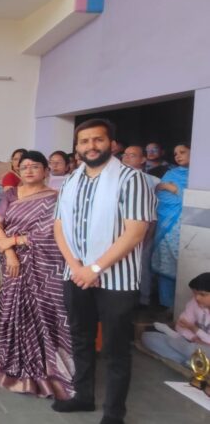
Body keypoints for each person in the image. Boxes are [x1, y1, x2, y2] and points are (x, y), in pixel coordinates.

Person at [53, 118, 155, 424]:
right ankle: (83, 397)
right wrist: (76, 267)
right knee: (80, 339)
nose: (91, 146)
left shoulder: (130, 179)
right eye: (84, 141)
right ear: (77, 148)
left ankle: (114, 412)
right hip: (76, 275)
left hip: (116, 281)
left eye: (98, 140)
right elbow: (59, 226)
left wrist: (95, 267)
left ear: (111, 144)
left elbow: (135, 232)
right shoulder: (71, 180)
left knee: (115, 347)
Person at [0, 150, 74, 399]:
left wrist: (15, 240)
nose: (28, 170)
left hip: (44, 265)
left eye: (35, 166)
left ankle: (48, 372)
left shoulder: (55, 198)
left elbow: (53, 233)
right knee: (13, 311)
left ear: (46, 171)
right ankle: (14, 368)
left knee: (45, 312)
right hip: (13, 264)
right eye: (24, 166)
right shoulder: (10, 194)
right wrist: (10, 252)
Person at [141, 273, 210, 367]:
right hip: (190, 344)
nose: (197, 298)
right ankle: (190, 363)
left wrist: (194, 329)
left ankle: (192, 361)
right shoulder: (194, 303)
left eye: (202, 294)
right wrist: (192, 338)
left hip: (203, 349)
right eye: (195, 293)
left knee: (194, 349)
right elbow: (180, 326)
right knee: (148, 338)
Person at [151, 143, 191, 309]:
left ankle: (186, 306)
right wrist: (170, 189)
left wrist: (172, 188)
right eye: (175, 154)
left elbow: (192, 198)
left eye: (182, 152)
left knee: (183, 263)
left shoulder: (200, 174)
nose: (178, 156)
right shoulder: (171, 173)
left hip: (183, 224)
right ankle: (166, 304)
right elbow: (158, 193)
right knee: (164, 261)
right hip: (165, 224)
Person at [121, 145, 160, 306]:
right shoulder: (116, 178)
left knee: (141, 265)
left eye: (132, 155)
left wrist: (146, 236)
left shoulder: (148, 180)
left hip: (142, 231)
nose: (126, 158)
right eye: (125, 154)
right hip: (121, 231)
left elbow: (151, 214)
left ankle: (143, 300)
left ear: (143, 159)